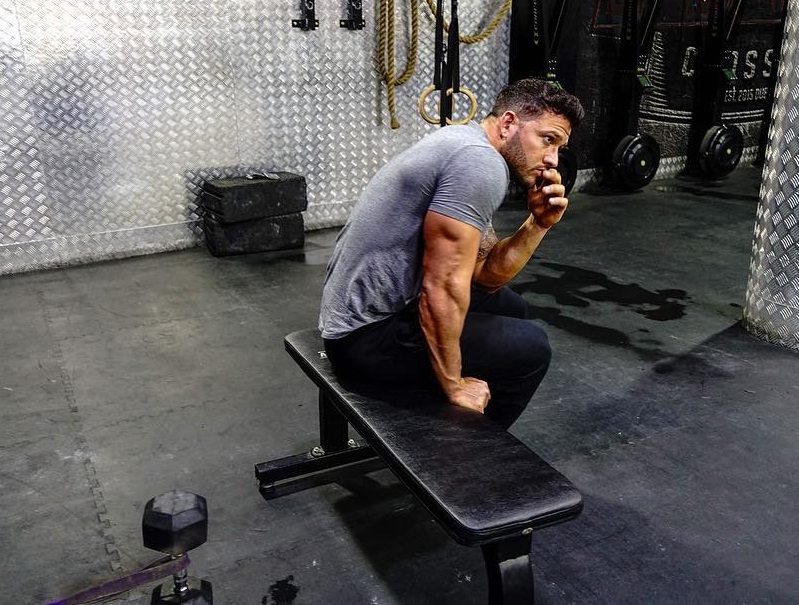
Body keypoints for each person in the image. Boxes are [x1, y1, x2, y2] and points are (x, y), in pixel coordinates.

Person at [319, 78, 584, 429]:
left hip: (373, 315)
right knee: (531, 349)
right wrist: (454, 385)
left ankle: (442, 415)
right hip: (364, 337)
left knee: (512, 308)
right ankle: (463, 455)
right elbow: (440, 289)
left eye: (559, 149)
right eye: (547, 140)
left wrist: (538, 225)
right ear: (508, 124)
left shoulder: (467, 144)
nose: (551, 160)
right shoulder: (480, 164)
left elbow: (484, 277)